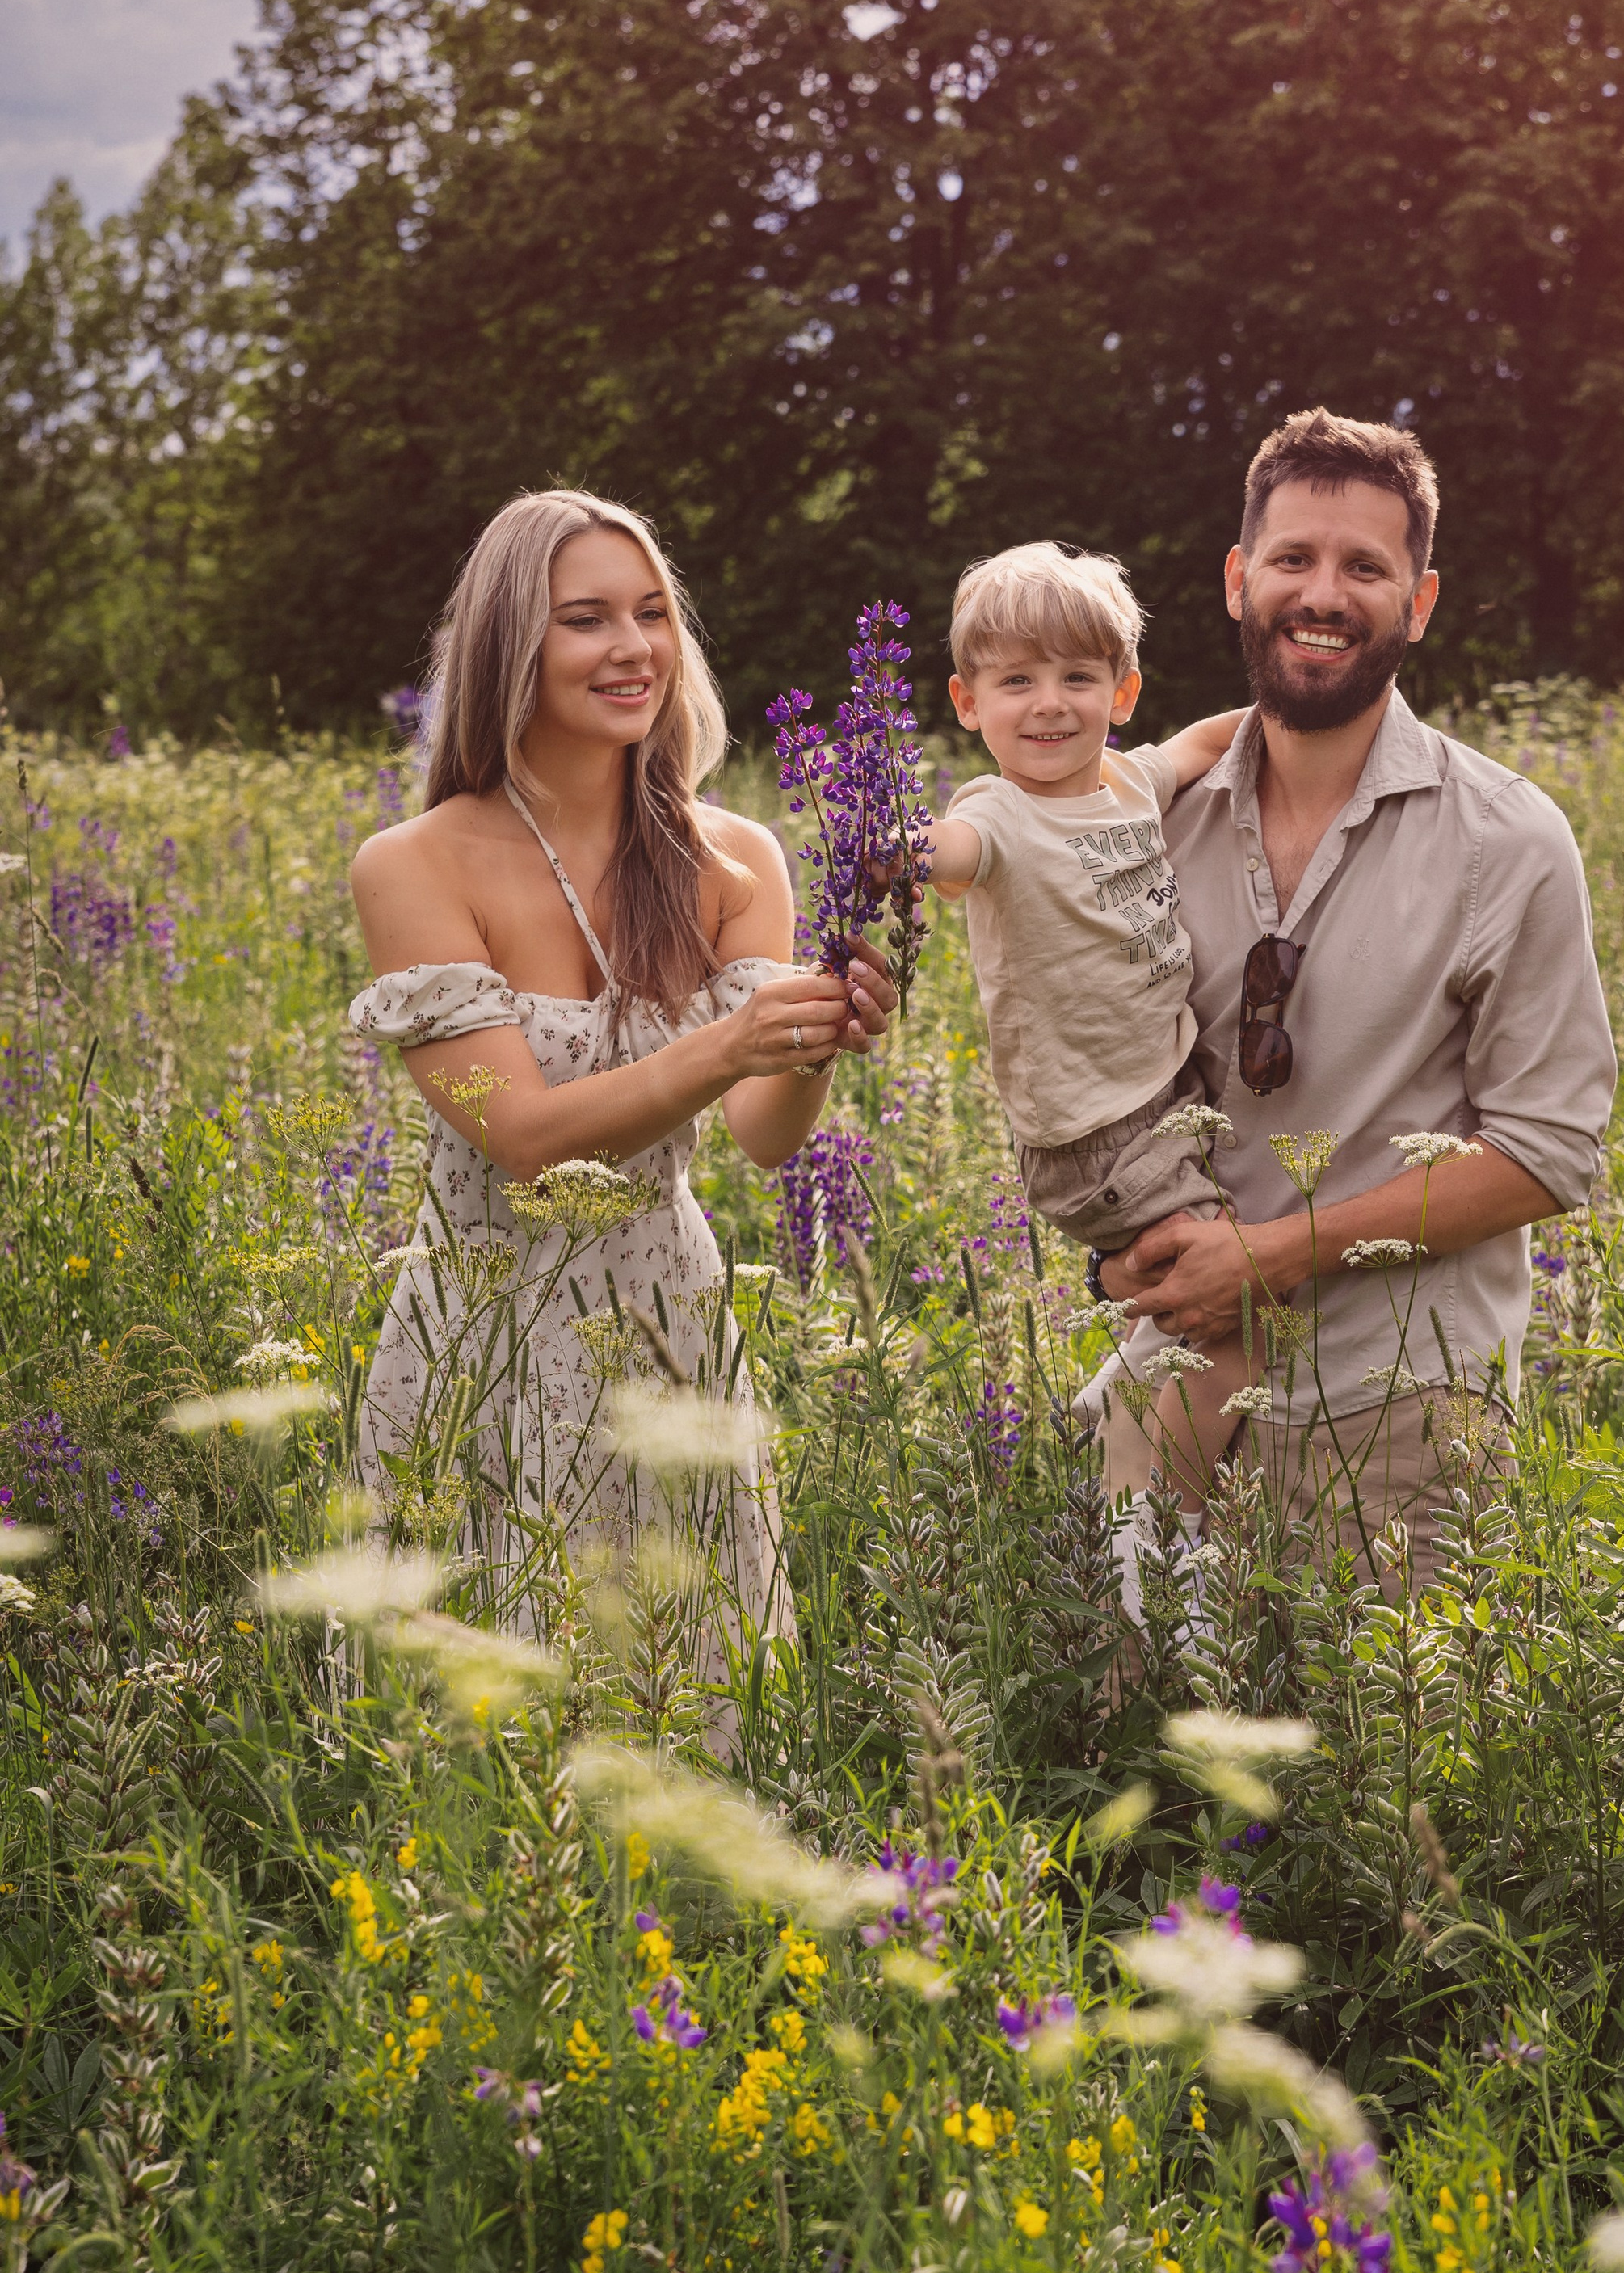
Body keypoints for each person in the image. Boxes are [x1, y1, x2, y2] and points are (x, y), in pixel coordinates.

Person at [347, 487, 894, 1646]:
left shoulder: (731, 856)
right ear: (511, 646)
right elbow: (526, 1140)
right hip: (484, 1331)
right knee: (475, 1739)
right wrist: (730, 1041)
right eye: (586, 618)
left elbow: (763, 1132)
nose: (634, 646)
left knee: (684, 1690)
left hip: (666, 1322)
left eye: (652, 613)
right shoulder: (413, 864)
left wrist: (815, 1037)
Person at [1096, 407, 1618, 1587]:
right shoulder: (1146, 819)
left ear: (1418, 602)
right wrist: (1116, 1254)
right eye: (1293, 560)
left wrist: (1279, 1254)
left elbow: (1549, 1152)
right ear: (1240, 581)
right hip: (1168, 1394)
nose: (1322, 594)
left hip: (1401, 1419)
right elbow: (1070, 1047)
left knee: (1371, 1773)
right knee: (1138, 1766)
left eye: (1365, 568)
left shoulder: (1507, 839)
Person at [923, 543, 1246, 1497]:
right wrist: (897, 852)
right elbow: (952, 851)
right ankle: (1144, 1523)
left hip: (1167, 1090)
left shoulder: (1134, 783)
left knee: (1210, 1279)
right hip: (1095, 1131)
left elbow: (1207, 740)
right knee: (1229, 1316)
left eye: (1076, 676)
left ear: (1123, 690)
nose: (1049, 702)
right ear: (968, 704)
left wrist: (1291, 717)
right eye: (1016, 680)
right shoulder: (999, 812)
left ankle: (1118, 1401)